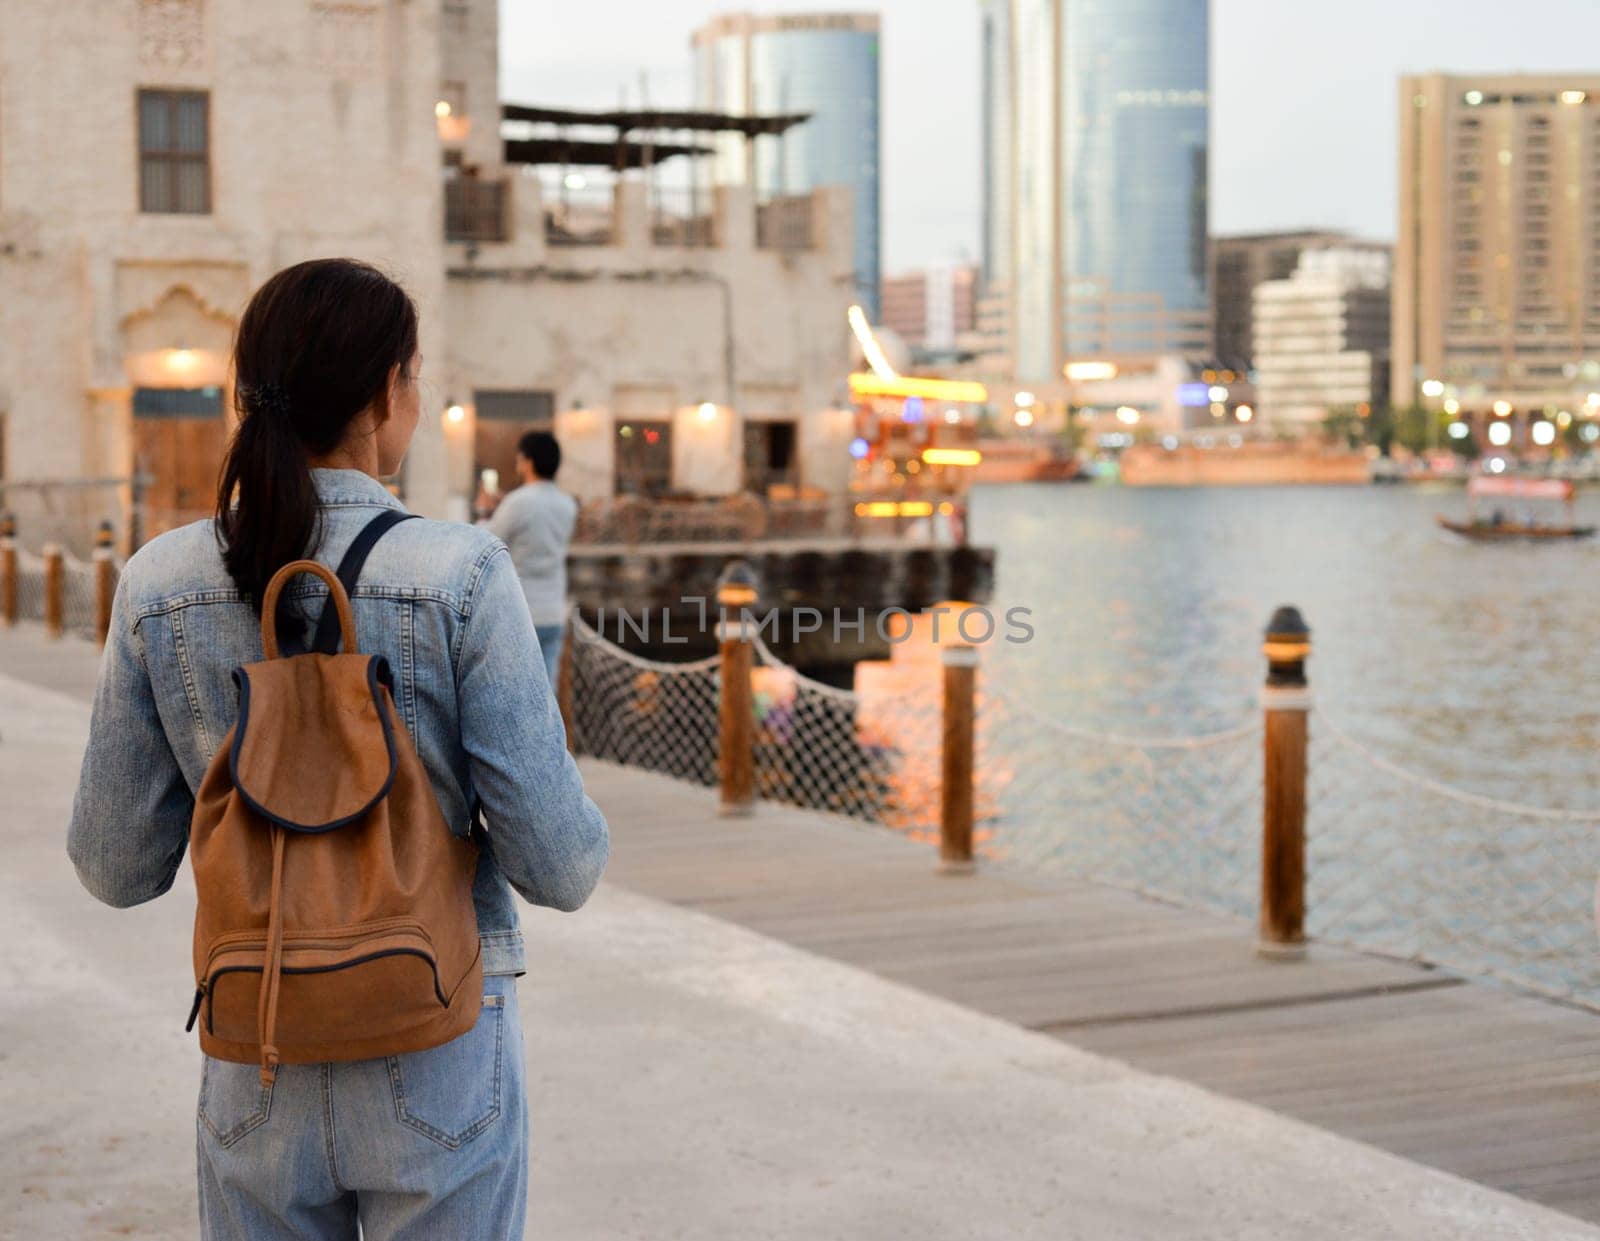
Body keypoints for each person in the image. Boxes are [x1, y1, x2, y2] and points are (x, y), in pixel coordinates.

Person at [67, 258, 609, 1240]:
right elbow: (562, 866)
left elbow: (112, 867)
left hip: (256, 1034)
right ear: (386, 393)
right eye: (416, 375)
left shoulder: (159, 581)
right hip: (434, 1027)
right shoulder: (462, 572)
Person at [486, 430, 578, 684]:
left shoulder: (517, 502)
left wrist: (486, 515)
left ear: (527, 461)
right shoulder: (567, 504)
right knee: (547, 691)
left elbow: (490, 541)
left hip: (521, 610)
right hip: (553, 610)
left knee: (517, 690)